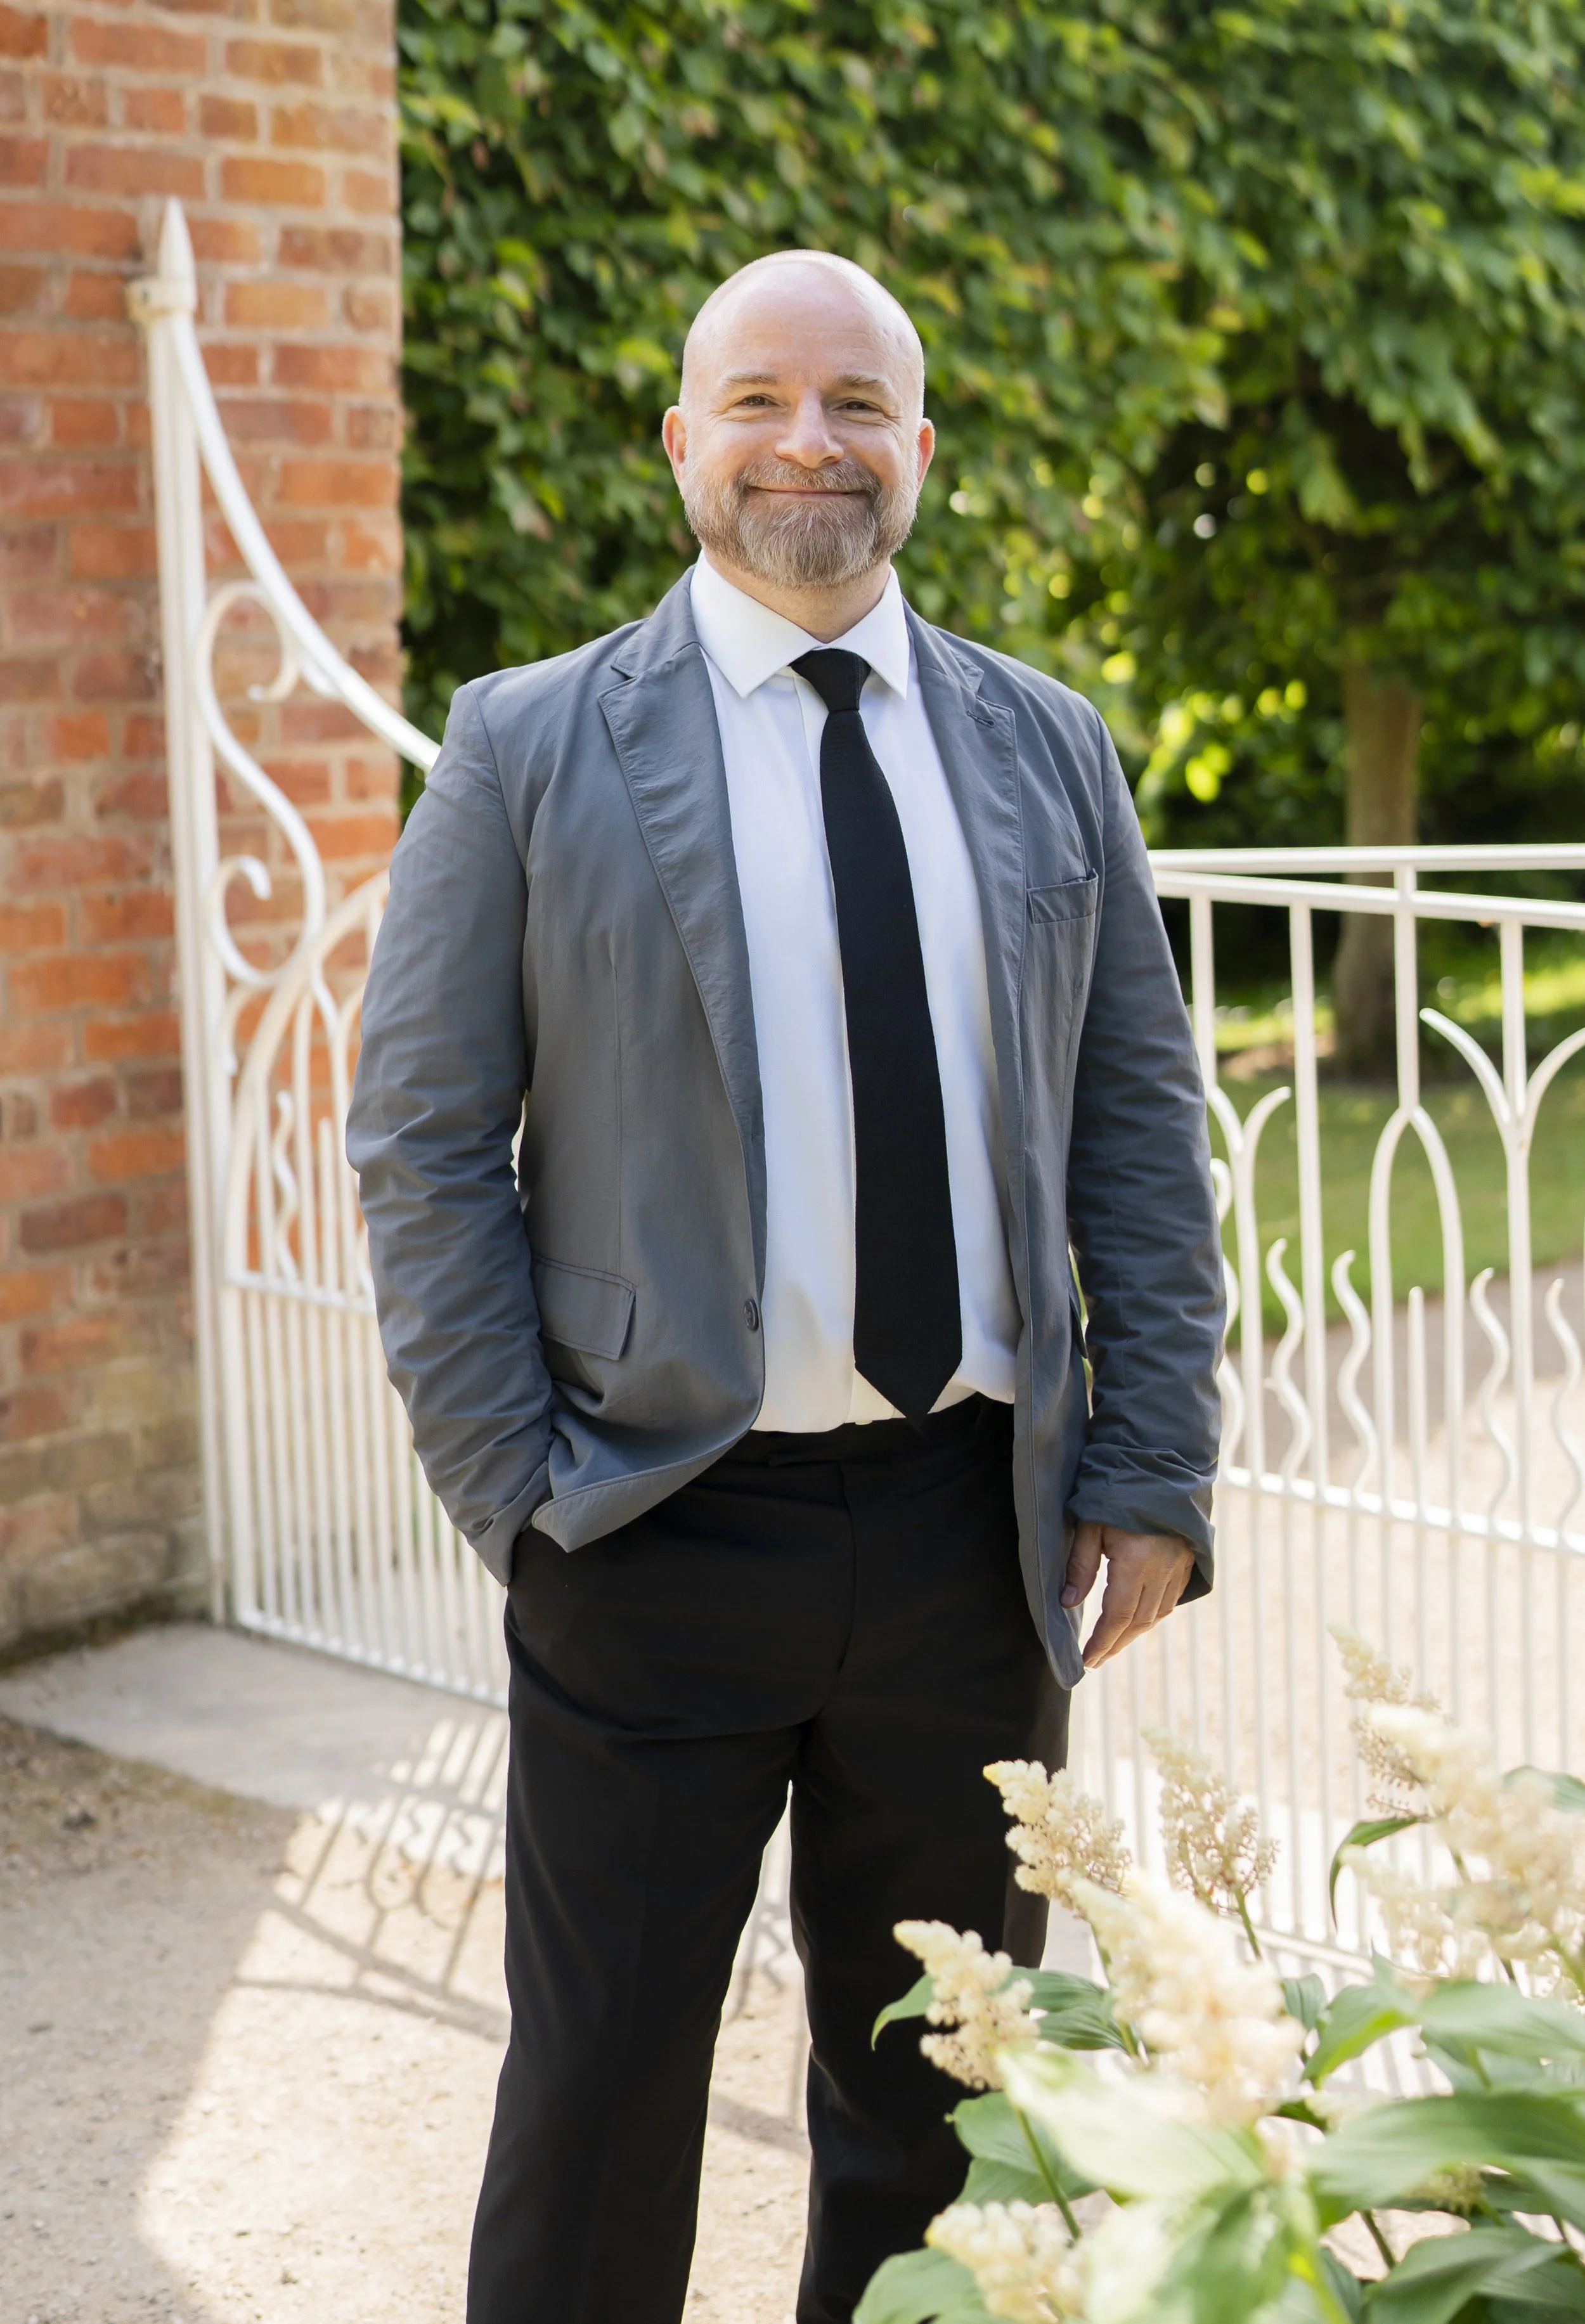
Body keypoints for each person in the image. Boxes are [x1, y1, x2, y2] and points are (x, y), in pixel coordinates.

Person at [347, 249, 1224, 2324]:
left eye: (852, 404)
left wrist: (1158, 1467)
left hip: (970, 1534)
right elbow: (422, 1139)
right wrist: (521, 1496)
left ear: (918, 449)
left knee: (944, 2112)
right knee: (598, 2104)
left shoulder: (1047, 746)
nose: (804, 442)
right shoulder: (528, 747)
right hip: (652, 1527)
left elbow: (1135, 1128)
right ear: (684, 446)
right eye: (755, 401)